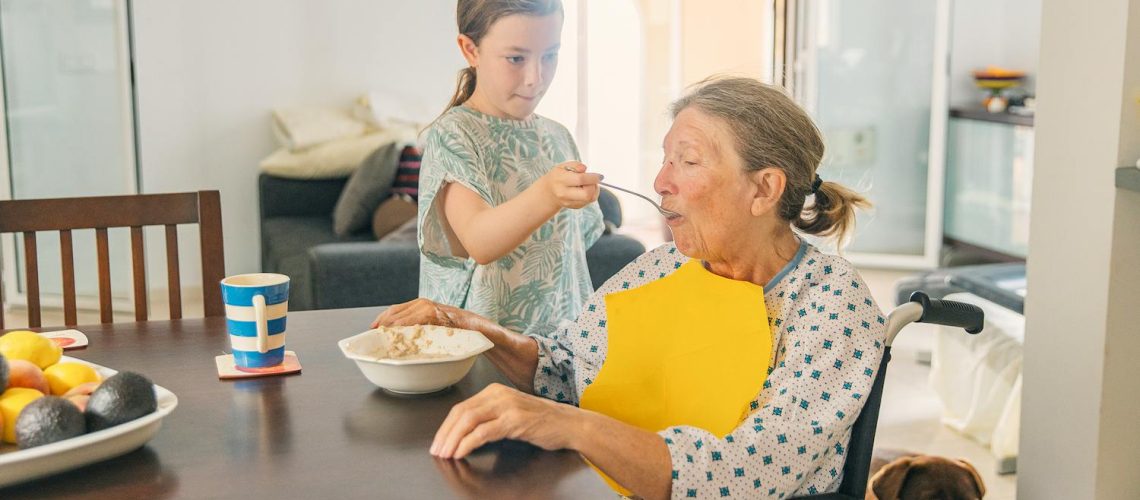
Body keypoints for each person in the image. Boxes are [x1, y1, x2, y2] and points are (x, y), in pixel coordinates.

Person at [374, 77, 885, 499]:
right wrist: (472, 326)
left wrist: (572, 427)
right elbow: (566, 371)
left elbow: (744, 474)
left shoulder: (831, 302)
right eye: (665, 159)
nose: (661, 180)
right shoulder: (659, 267)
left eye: (688, 161)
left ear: (764, 189)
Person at [403, 0, 605, 336]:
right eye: (516, 58)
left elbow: (569, 261)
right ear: (471, 50)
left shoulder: (558, 137)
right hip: (482, 352)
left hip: (560, 350)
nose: (535, 78)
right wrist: (548, 193)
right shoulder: (455, 133)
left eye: (550, 55)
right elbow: (480, 241)